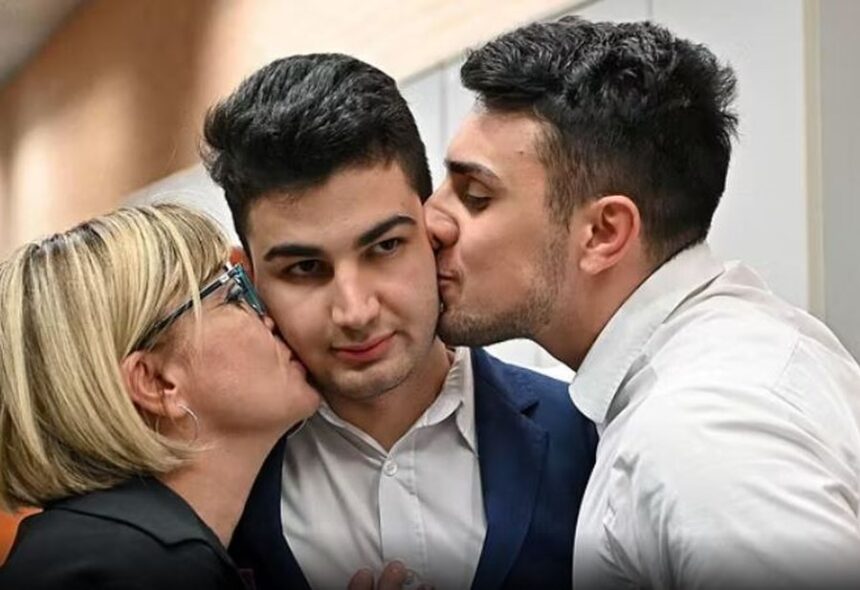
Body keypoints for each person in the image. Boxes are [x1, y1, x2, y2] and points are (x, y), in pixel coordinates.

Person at [425, 15, 860, 590]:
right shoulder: (739, 354)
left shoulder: (701, 435)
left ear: (604, 233)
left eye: (476, 195)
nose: (430, 220)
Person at [202, 53, 597, 590]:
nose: (355, 311)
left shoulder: (586, 434)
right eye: (304, 268)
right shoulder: (216, 483)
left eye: (385, 247)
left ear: (434, 225)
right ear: (247, 277)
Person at [0, 203, 320, 589]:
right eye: (234, 294)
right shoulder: (141, 567)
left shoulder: (99, 550)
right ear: (156, 383)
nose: (267, 317)